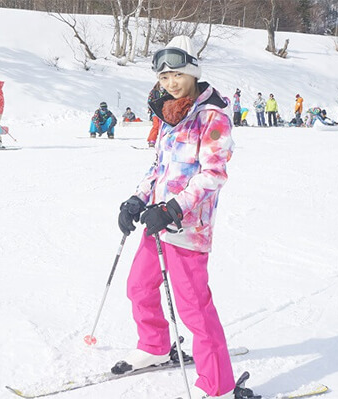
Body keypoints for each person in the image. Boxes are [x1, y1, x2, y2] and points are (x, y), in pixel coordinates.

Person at [116, 35, 239, 399]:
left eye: (176, 74)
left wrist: (173, 207)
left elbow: (213, 173)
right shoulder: (171, 114)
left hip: (187, 228)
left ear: (193, 73)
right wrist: (137, 199)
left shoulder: (211, 117)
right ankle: (153, 346)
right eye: (163, 77)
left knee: (194, 309)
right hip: (156, 224)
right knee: (138, 287)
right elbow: (159, 167)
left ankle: (217, 385)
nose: (170, 82)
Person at [146, 82, 167, 147]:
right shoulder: (153, 91)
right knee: (156, 126)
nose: (162, 87)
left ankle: (164, 141)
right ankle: (151, 140)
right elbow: (149, 101)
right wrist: (151, 108)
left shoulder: (168, 91)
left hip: (164, 112)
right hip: (155, 112)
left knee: (164, 127)